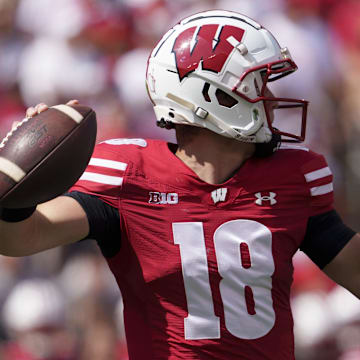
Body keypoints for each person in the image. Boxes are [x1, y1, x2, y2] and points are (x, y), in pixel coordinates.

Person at [0, 10, 359, 360]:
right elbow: (20, 237)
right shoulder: (129, 175)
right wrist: (13, 181)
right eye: (258, 84)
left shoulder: (292, 177)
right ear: (216, 96)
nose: (271, 98)